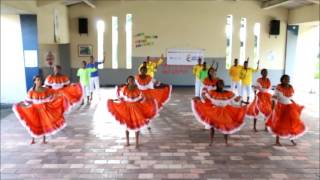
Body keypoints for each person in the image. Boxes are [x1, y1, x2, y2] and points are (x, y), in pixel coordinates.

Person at [12, 75, 68, 144]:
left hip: (44, 109)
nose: (39, 81)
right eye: (38, 80)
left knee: (43, 124)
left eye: (40, 80)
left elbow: (52, 96)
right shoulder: (31, 91)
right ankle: (33, 139)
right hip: (34, 109)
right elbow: (28, 102)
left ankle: (44, 140)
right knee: (33, 123)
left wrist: (60, 96)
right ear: (34, 81)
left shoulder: (45, 89)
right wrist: (20, 105)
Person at [107, 76, 158, 148]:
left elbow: (141, 99)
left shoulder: (138, 90)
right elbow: (122, 98)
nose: (131, 82)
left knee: (137, 127)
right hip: (126, 109)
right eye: (129, 80)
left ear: (134, 81)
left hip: (136, 109)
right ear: (127, 81)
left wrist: (147, 101)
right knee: (126, 126)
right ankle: (127, 142)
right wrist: (114, 100)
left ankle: (137, 142)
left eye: (132, 80)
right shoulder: (124, 89)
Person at [191, 79, 246, 145]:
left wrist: (238, 100)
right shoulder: (211, 92)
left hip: (225, 112)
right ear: (217, 85)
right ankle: (211, 142)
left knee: (225, 127)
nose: (221, 85)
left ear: (223, 85)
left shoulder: (229, 93)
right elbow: (207, 100)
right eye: (219, 84)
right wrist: (199, 99)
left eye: (222, 84)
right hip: (214, 111)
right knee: (212, 126)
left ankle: (226, 142)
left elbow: (233, 102)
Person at [266, 75, 306, 146]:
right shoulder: (278, 87)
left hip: (289, 107)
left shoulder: (291, 87)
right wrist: (272, 108)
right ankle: (277, 141)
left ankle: (292, 139)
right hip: (280, 107)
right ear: (282, 80)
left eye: (288, 79)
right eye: (285, 79)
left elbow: (290, 98)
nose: (287, 80)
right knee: (279, 123)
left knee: (292, 123)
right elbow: (274, 98)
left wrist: (294, 103)